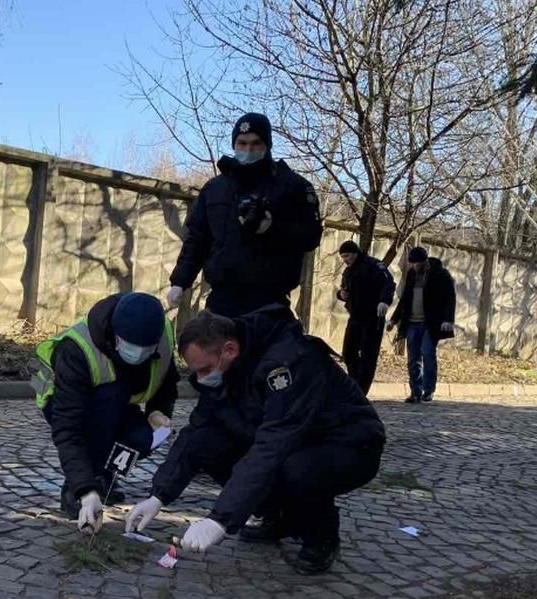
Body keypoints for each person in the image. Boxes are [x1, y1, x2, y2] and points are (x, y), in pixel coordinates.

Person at [123, 307, 385, 575]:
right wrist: (158, 495)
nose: (201, 379)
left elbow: (272, 446)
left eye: (205, 369)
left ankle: (321, 536)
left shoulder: (288, 363)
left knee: (298, 469)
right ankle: (279, 516)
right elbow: (196, 431)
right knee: (206, 441)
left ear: (230, 350)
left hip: (349, 443)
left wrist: (220, 520)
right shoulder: (226, 369)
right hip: (293, 440)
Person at [30, 292, 180, 532]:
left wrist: (159, 412)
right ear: (115, 335)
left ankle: (106, 475)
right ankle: (78, 488)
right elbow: (67, 428)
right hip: (63, 404)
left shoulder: (161, 337)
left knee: (144, 438)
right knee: (112, 397)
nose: (140, 354)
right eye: (132, 347)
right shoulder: (77, 349)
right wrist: (85, 489)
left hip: (118, 407)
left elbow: (167, 382)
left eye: (146, 349)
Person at [165, 112, 324, 317]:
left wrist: (272, 227)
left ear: (267, 145)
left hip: (269, 304)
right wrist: (180, 281)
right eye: (242, 143)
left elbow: (311, 236)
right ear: (234, 145)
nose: (248, 150)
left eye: (256, 143)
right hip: (221, 301)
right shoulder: (215, 189)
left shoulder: (292, 186)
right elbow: (197, 239)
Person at [386, 247, 457, 403]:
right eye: (412, 263)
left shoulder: (440, 274)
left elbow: (449, 298)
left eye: (417, 263)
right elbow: (404, 299)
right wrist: (393, 319)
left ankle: (428, 390)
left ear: (424, 261)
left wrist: (448, 320)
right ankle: (415, 392)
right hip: (412, 322)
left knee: (427, 352)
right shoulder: (411, 274)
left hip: (430, 323)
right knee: (413, 358)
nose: (414, 266)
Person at [336, 240, 395, 396]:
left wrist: (384, 301)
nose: (345, 260)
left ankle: (362, 390)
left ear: (355, 253)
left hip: (373, 317)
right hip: (355, 316)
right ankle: (355, 383)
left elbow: (389, 284)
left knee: (368, 355)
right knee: (348, 352)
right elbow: (344, 289)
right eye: (343, 257)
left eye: (347, 256)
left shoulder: (374, 265)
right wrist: (341, 295)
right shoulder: (348, 271)